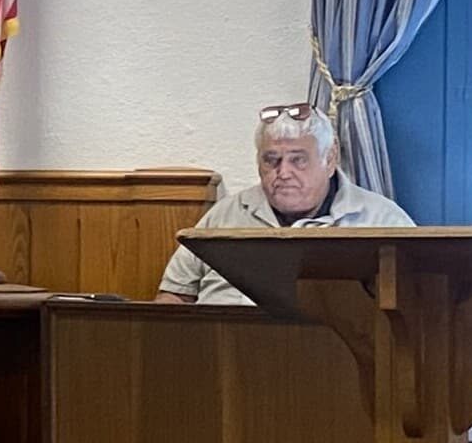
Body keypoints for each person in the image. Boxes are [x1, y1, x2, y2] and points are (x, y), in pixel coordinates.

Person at [156, 103, 415, 305]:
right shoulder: (224, 216)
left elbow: (415, 306)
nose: (283, 172)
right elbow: (174, 295)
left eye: (298, 160)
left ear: (330, 158)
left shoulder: (382, 221)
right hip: (222, 356)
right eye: (272, 160)